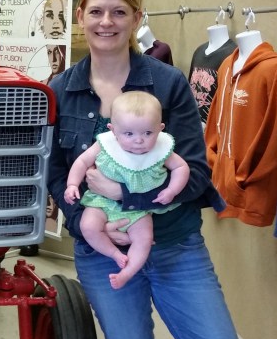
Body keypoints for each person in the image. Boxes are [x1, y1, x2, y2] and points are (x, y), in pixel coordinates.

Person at [47, 0, 245, 339]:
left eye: (119, 12)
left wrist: (126, 194)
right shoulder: (61, 90)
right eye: (96, 11)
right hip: (104, 255)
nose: (106, 22)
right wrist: (84, 219)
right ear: (80, 16)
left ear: (137, 18)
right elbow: (56, 174)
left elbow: (196, 176)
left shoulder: (168, 83)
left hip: (176, 248)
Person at [64, 91, 189, 290]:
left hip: (139, 209)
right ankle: (114, 254)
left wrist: (172, 190)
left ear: (160, 128)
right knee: (88, 226)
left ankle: (127, 272)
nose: (139, 140)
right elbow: (82, 162)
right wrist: (72, 184)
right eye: (129, 134)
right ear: (113, 130)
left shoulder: (161, 150)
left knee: (144, 239)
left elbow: (181, 168)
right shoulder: (105, 144)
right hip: (101, 202)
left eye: (148, 133)